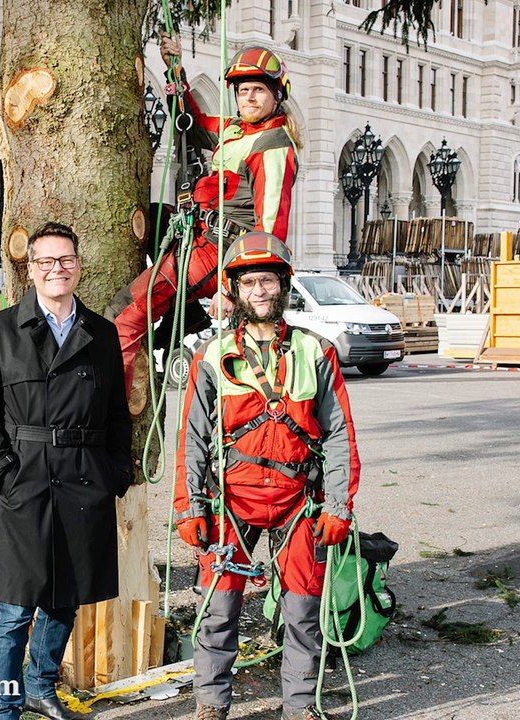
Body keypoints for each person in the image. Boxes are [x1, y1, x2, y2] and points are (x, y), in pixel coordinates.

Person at [173, 232, 360, 720]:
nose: (259, 290)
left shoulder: (315, 351)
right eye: (249, 282)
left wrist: (338, 505)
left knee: (302, 609)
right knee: (218, 608)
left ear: (284, 284)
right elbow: (192, 437)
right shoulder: (211, 355)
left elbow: (340, 433)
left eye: (267, 281)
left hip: (298, 498)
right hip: (231, 499)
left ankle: (299, 707)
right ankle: (211, 705)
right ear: (234, 290)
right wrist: (189, 507)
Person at [0, 222, 134, 720]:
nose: (56, 269)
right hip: (25, 481)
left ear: (79, 266)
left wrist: (114, 473)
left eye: (65, 260)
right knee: (14, 609)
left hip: (84, 481)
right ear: (30, 269)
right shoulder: (0, 330)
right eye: (46, 261)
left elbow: (117, 414)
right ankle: (3, 708)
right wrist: (2, 473)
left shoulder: (102, 333)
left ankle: (41, 686)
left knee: (66, 598)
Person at [110, 36, 300, 395]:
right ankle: (185, 313)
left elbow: (270, 231)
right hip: (199, 235)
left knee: (126, 312)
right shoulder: (235, 131)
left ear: (277, 94)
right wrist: (175, 69)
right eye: (243, 91)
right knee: (153, 217)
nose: (249, 98)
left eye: (258, 90)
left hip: (220, 250)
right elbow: (192, 124)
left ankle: (113, 406)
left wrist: (231, 288)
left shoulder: (272, 147)